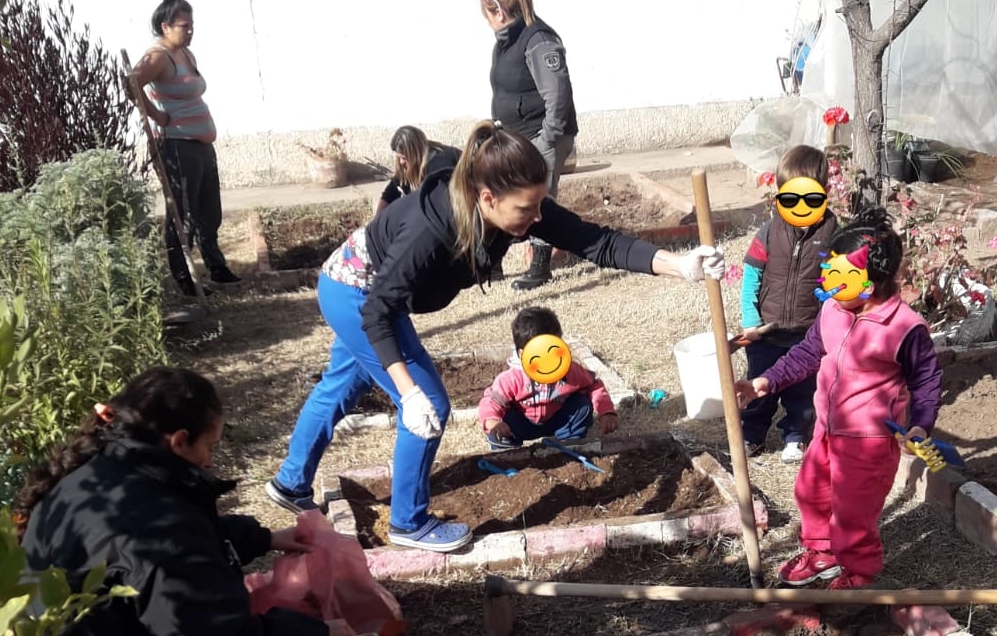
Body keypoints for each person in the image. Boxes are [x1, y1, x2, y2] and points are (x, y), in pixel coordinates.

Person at [265, 122, 723, 552]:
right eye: (527, 208)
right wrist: (409, 394)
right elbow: (378, 312)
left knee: (340, 387)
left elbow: (595, 240)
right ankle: (408, 522)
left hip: (362, 292)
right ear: (486, 197)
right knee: (429, 403)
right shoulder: (431, 229)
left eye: (539, 204)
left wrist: (678, 265)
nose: (537, 216)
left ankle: (290, 483)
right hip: (356, 293)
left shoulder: (516, 203)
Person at [13, 366, 353, 636]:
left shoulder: (104, 471)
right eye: (210, 445)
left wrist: (263, 537)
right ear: (178, 441)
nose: (211, 459)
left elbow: (180, 549)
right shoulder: (155, 522)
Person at [734, 208, 942, 590]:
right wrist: (764, 381)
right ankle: (823, 554)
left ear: (872, 281)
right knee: (810, 492)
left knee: (852, 512)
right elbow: (808, 353)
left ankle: (859, 572)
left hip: (869, 443)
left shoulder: (904, 328)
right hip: (828, 430)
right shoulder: (832, 309)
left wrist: (921, 424)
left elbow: (926, 379)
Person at [129, 0, 239, 298]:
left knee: (209, 211)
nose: (189, 31)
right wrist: (157, 116)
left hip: (201, 143)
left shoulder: (185, 54)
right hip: (178, 146)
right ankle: (185, 280)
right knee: (184, 214)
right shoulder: (157, 56)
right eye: (183, 26)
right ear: (165, 27)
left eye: (191, 25)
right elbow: (131, 83)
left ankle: (217, 268)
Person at [739, 145, 839, 463]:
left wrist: (827, 325)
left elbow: (835, 285)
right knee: (760, 383)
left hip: (807, 334)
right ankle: (752, 435)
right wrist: (750, 318)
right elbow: (751, 277)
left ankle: (794, 435)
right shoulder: (769, 233)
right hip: (767, 330)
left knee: (802, 391)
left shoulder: (833, 235)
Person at [482, 0, 578, 292]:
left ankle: (540, 266)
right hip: (517, 136)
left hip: (541, 135)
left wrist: (548, 135)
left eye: (487, 16)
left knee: (539, 200)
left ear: (496, 12)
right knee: (508, 195)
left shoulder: (538, 39)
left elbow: (557, 92)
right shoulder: (506, 40)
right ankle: (493, 263)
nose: (487, 23)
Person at [479, 305, 617, 447]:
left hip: (557, 419)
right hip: (521, 423)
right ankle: (506, 449)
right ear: (522, 354)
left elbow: (593, 385)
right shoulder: (512, 378)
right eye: (542, 353)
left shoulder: (569, 371)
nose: (549, 359)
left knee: (581, 405)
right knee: (501, 423)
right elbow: (491, 402)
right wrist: (494, 422)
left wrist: (606, 412)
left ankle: (569, 442)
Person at [375, 127, 462, 215]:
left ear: (416, 154)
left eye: (404, 158)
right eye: (399, 157)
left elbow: (438, 208)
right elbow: (389, 194)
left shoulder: (439, 168)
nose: (401, 162)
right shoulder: (407, 167)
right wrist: (375, 224)